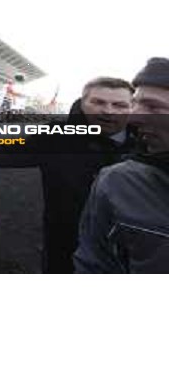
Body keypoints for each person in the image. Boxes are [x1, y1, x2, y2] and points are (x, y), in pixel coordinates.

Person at [0, 76, 137, 273]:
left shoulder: (151, 143)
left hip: (134, 253)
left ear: (133, 108)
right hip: (66, 248)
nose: (108, 111)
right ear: (83, 103)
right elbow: (7, 150)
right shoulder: (57, 137)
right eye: (98, 102)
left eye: (119, 105)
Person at [75, 58, 169, 273]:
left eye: (153, 106)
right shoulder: (118, 180)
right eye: (98, 102)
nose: (131, 116)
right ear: (82, 103)